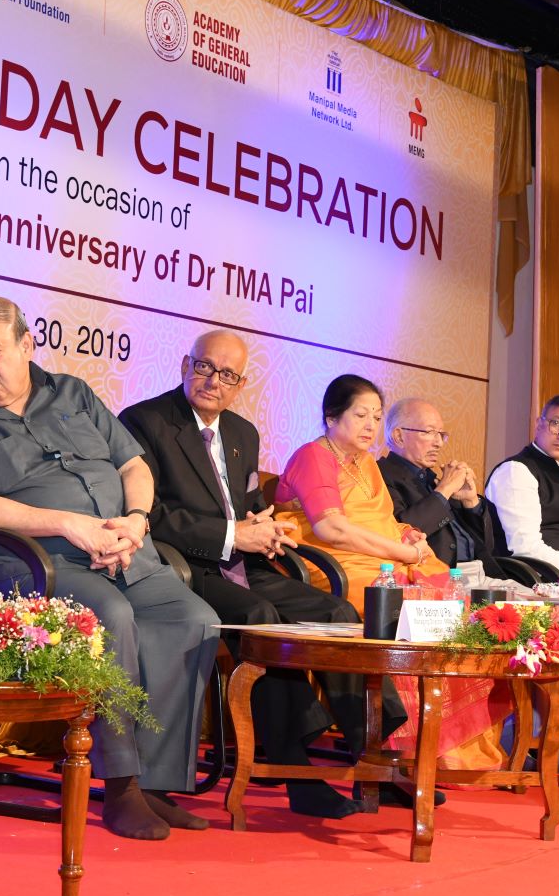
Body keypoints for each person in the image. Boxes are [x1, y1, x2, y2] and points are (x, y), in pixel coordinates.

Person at [0, 296, 220, 841]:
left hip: (123, 552)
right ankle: (122, 785)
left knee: (193, 618)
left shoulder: (73, 394)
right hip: (34, 568)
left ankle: (156, 784)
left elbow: (134, 466)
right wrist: (69, 524)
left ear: (26, 345)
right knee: (110, 614)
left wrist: (135, 521)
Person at [120, 330, 390, 819]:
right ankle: (297, 772)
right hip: (187, 566)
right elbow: (150, 513)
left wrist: (267, 528)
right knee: (260, 617)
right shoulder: (145, 421)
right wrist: (231, 535)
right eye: (204, 367)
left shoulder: (243, 432)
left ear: (241, 385)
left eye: (227, 375)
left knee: (337, 612)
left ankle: (372, 755)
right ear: (185, 365)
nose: (213, 381)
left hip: (247, 562)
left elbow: (247, 506)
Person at [275, 375, 504, 774]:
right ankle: (399, 746)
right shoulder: (313, 455)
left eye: (376, 417)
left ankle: (448, 744)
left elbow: (380, 521)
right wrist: (403, 552)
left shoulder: (366, 462)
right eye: (360, 415)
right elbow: (333, 529)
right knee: (403, 600)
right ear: (331, 417)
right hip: (332, 564)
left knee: (452, 595)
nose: (370, 426)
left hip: (374, 557)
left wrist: (407, 534)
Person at [378, 397, 498, 575]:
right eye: (429, 432)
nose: (439, 443)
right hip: (437, 576)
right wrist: (444, 490)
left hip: (482, 573)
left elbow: (487, 546)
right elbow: (400, 535)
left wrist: (471, 503)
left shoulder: (433, 479)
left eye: (441, 434)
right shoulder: (381, 475)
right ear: (399, 436)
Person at [484, 393, 559, 576]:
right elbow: (525, 547)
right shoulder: (516, 471)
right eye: (556, 424)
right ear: (539, 424)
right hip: (534, 579)